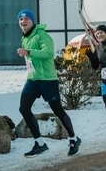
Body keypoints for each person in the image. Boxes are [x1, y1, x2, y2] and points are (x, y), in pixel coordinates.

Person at [16, 9, 81, 157]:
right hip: (33, 79)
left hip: (47, 80)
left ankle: (73, 139)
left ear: (32, 21)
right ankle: (40, 143)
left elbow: (48, 53)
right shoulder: (25, 37)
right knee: (24, 108)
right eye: (20, 19)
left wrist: (29, 52)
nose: (23, 22)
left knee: (58, 110)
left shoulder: (42, 35)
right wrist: (27, 54)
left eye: (26, 19)